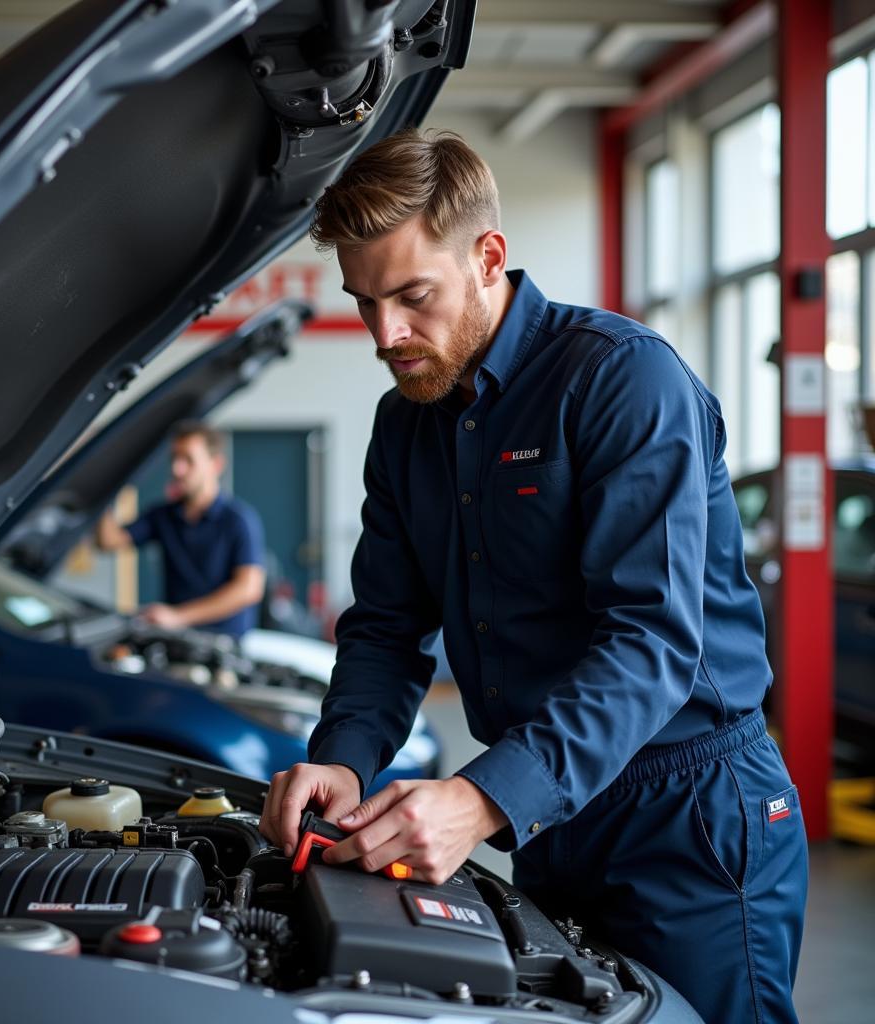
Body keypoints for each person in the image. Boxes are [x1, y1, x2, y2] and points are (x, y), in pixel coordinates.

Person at [259, 128, 806, 1024]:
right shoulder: (407, 426)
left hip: (689, 814)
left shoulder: (623, 382)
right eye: (364, 302)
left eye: (411, 295)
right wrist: (344, 762)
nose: (384, 334)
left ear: (489, 256)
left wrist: (481, 799)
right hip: (552, 815)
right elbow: (388, 627)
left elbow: (653, 643)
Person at [97, 421, 265, 640]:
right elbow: (109, 541)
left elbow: (248, 589)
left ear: (215, 465)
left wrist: (178, 616)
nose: (177, 469)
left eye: (188, 460)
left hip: (222, 646)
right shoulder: (163, 515)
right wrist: (103, 492)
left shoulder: (238, 521)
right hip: (174, 641)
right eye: (174, 459)